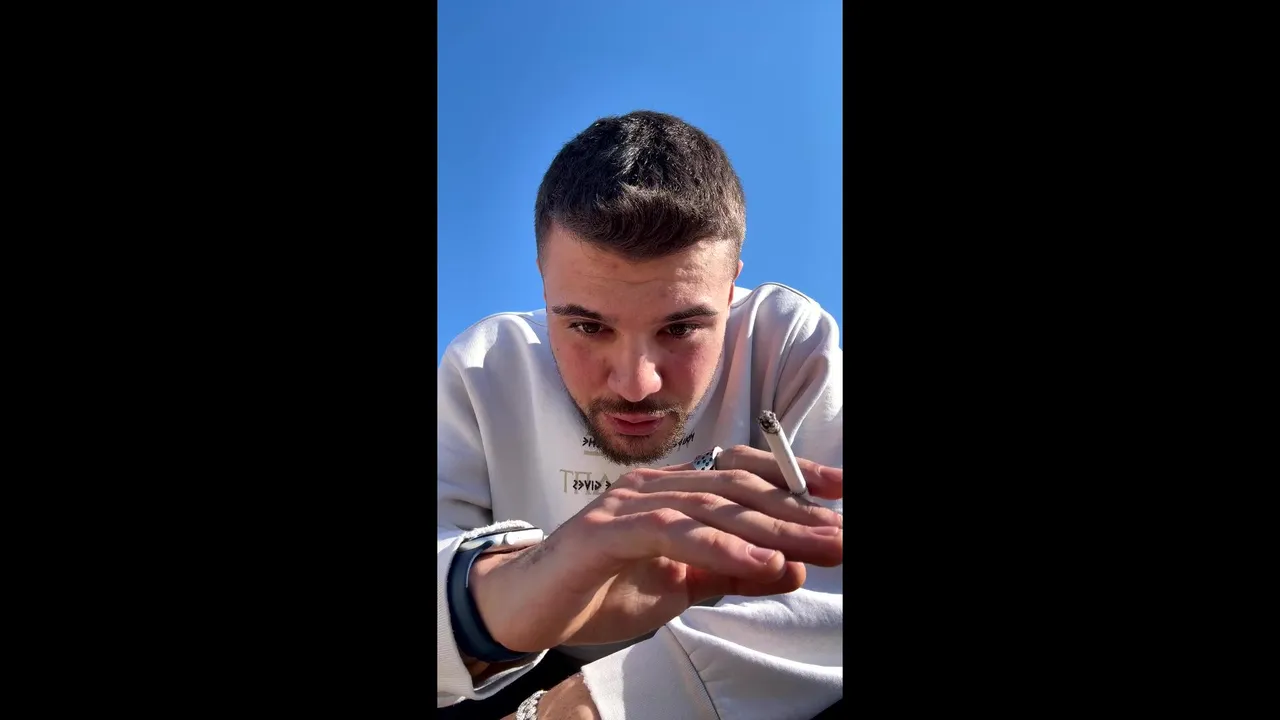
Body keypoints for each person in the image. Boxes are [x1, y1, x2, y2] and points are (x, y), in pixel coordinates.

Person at [437, 110, 843, 720]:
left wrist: (595, 703)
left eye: (682, 328)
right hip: (514, 670)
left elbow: (831, 594)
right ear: (542, 280)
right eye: (586, 326)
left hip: (725, 659)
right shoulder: (485, 364)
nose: (635, 385)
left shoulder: (787, 340)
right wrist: (489, 605)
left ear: (731, 287)